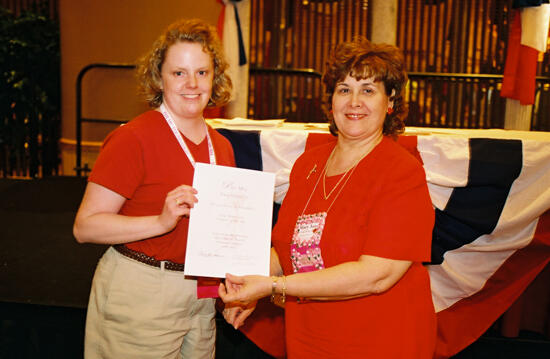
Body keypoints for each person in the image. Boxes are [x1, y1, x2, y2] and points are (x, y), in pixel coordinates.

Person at [219, 36, 436, 358]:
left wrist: (274, 287)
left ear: (390, 102)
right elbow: (286, 249)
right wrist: (249, 283)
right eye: (344, 89)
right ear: (331, 100)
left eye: (368, 90)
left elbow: (377, 276)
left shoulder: (402, 172)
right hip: (310, 334)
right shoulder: (309, 164)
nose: (354, 101)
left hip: (380, 337)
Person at [73, 18, 234, 358]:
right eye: (179, 73)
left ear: (214, 77)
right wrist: (159, 222)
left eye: (202, 73)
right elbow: (85, 226)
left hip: (200, 294)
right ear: (159, 78)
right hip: (143, 289)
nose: (192, 83)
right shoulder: (133, 138)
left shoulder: (221, 146)